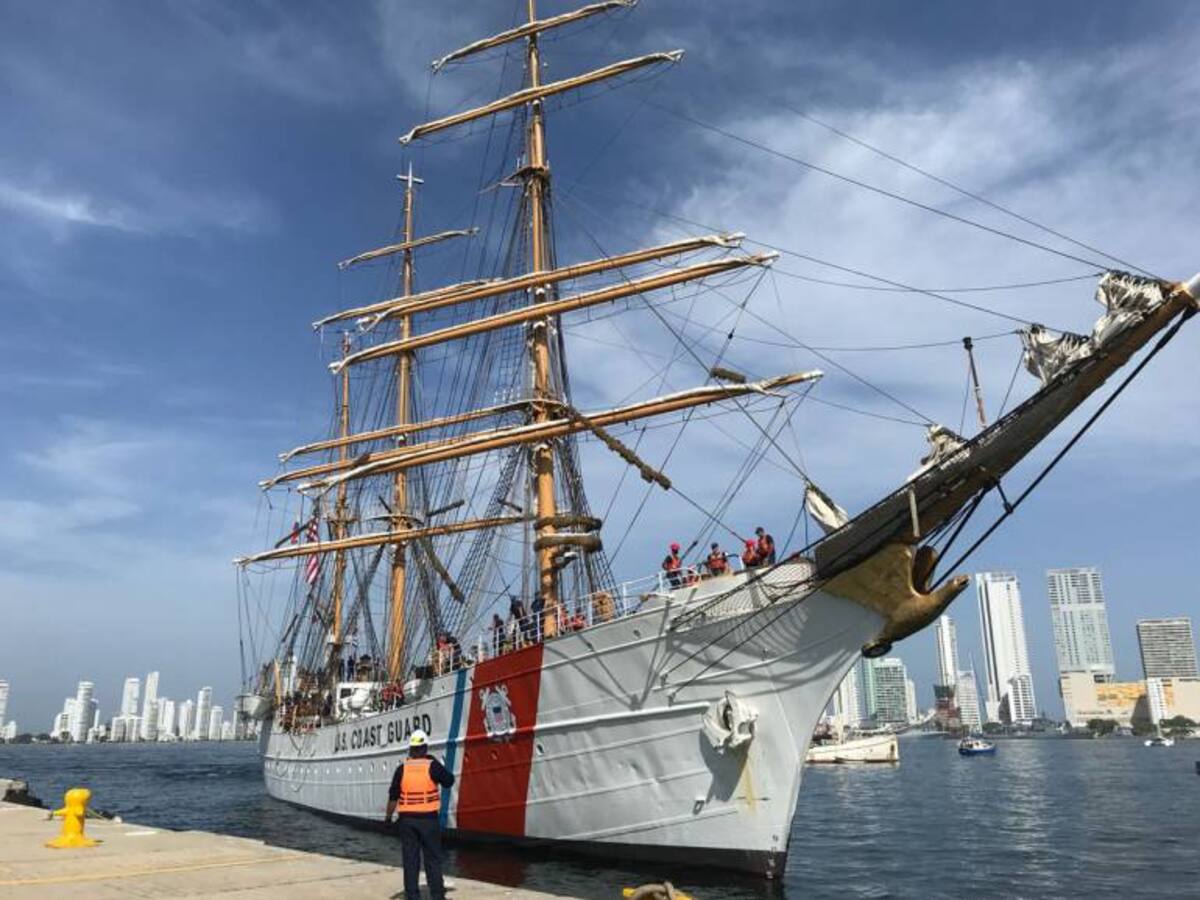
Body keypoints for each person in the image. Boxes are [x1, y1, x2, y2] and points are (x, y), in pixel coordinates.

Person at [386, 730, 455, 900]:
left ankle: (412, 896)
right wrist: (434, 762)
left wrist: (388, 818)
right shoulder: (432, 765)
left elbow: (393, 797)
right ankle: (437, 896)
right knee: (432, 860)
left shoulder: (402, 769)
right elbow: (449, 781)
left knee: (410, 861)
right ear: (425, 748)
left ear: (411, 749)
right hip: (428, 820)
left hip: (407, 821)